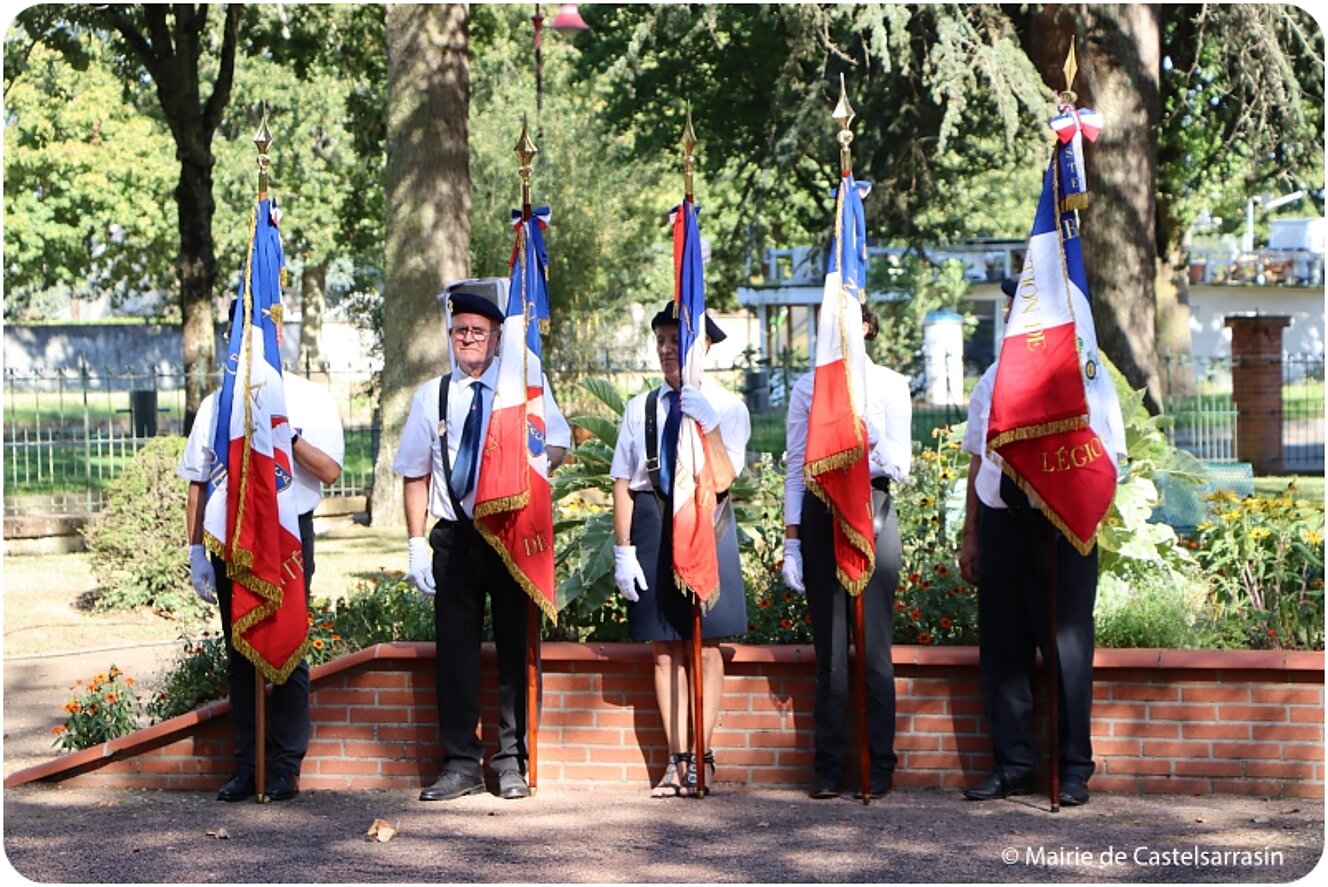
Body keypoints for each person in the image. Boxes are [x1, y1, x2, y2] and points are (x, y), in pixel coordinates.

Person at [394, 279, 571, 803]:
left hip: (511, 531)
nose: (468, 339)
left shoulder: (520, 389)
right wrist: (414, 542)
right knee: (455, 653)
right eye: (459, 331)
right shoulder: (433, 396)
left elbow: (558, 443)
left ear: (497, 338)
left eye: (478, 331)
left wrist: (529, 463)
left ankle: (511, 761)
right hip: (455, 536)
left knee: (515, 647)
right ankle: (460, 764)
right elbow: (413, 473)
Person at [957, 278, 1125, 807]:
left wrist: (1082, 516)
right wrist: (972, 533)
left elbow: (1109, 457)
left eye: (1021, 305)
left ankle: (1074, 768)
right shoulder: (992, 378)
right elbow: (978, 458)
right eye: (1010, 306)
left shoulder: (1087, 377)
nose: (1012, 313)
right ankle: (1013, 764)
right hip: (1003, 521)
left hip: (1063, 527)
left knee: (1067, 650)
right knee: (1003, 649)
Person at [181, 307, 345, 802]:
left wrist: (287, 436)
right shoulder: (217, 403)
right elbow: (197, 481)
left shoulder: (310, 398)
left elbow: (332, 471)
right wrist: (195, 550)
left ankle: (285, 766)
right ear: (232, 337)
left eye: (265, 328)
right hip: (232, 538)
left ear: (280, 332)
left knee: (289, 647)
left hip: (289, 535)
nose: (254, 339)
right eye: (243, 330)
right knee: (240, 650)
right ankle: (246, 765)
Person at [610, 302, 751, 797]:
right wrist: (622, 549)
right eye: (662, 341)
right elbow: (625, 481)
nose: (668, 350)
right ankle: (677, 758)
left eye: (679, 341)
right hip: (653, 520)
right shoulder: (641, 407)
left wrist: (708, 424)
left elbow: (725, 475)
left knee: (707, 645)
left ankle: (703, 755)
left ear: (704, 347)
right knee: (664, 648)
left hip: (707, 520)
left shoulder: (729, 406)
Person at [781, 307, 911, 799]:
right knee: (831, 654)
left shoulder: (890, 385)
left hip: (872, 509)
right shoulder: (807, 389)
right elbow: (796, 468)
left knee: (874, 652)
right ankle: (830, 765)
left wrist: (868, 443)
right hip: (820, 513)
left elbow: (901, 464)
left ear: (867, 327)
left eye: (848, 320)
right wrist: (792, 542)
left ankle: (880, 763)